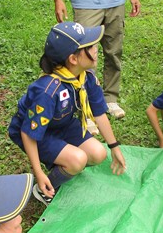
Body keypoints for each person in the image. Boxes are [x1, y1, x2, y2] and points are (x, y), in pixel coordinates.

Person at [9, 22, 126, 206]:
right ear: (73, 59)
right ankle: (44, 190)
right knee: (78, 160)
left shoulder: (85, 77)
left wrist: (114, 147)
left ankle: (62, 163)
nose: (96, 49)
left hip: (61, 124)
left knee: (98, 154)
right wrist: (38, 173)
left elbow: (99, 114)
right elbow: (28, 133)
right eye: (90, 46)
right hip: (35, 134)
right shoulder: (47, 91)